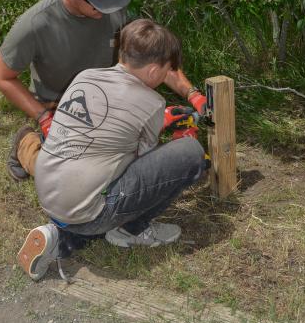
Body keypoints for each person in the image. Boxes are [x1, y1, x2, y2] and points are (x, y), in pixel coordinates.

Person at [0, 0, 207, 181]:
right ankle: (27, 144)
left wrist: (193, 94)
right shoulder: (35, 24)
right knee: (74, 178)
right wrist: (43, 116)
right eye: (98, 3)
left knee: (165, 126)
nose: (109, 9)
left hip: (111, 100)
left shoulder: (112, 7)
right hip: (66, 108)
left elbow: (152, 56)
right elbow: (2, 76)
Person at [18, 19, 206, 281]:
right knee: (190, 154)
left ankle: (58, 237)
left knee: (91, 187)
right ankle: (132, 230)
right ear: (153, 71)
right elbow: (142, 168)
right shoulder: (152, 103)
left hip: (50, 195)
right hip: (87, 211)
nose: (166, 77)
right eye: (166, 71)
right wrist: (177, 139)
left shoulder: (86, 76)